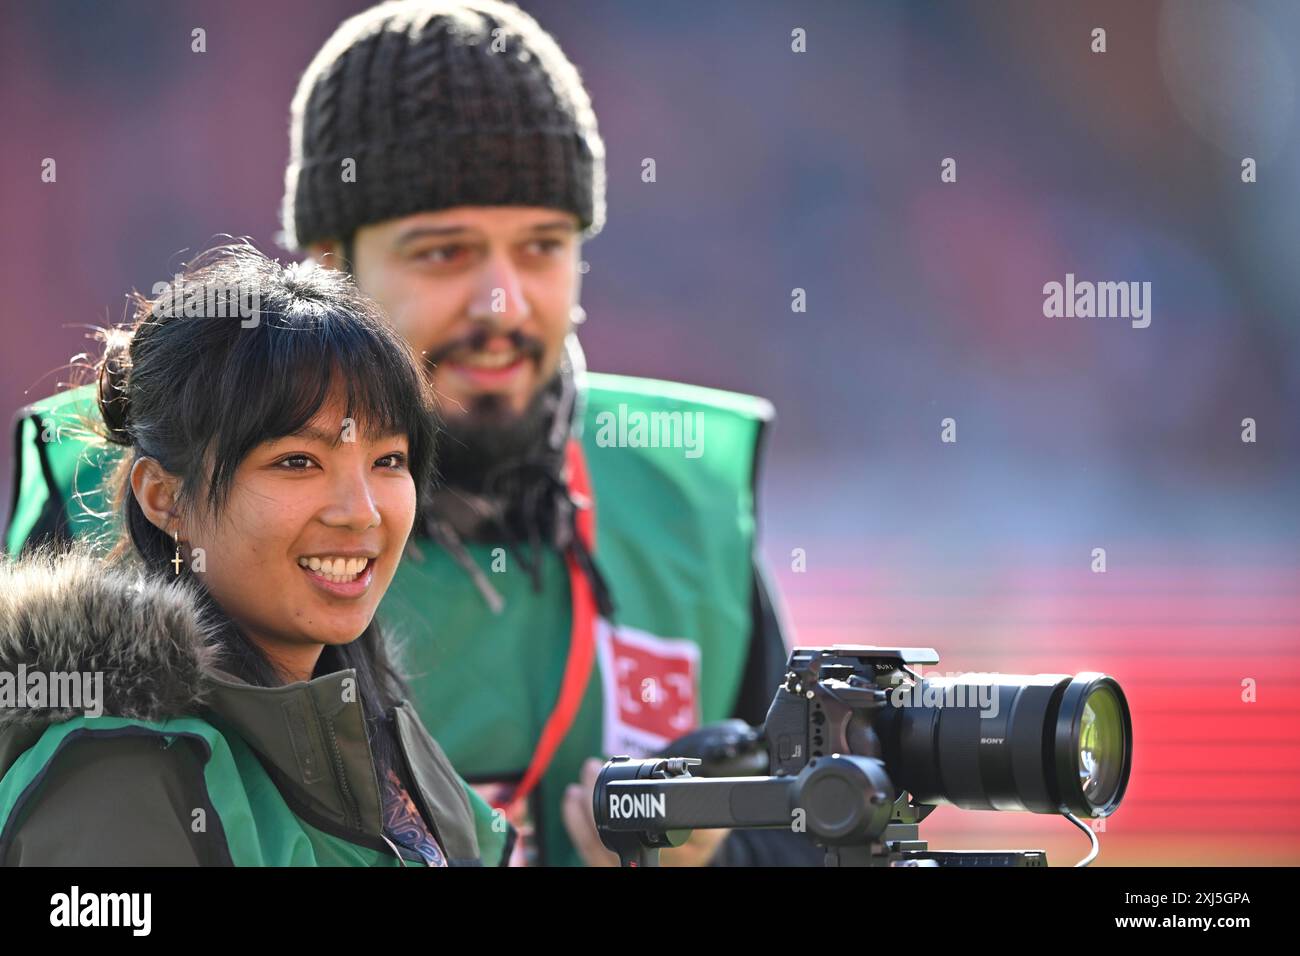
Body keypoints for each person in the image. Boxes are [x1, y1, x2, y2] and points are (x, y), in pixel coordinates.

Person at [4, 0, 819, 866]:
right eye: (445, 253)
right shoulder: (119, 468)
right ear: (327, 265)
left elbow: (811, 831)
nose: (501, 302)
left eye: (542, 247)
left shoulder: (686, 499)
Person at [0, 246, 510, 866]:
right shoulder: (122, 776)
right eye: (298, 462)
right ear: (164, 498)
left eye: (389, 461)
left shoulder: (378, 728)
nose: (361, 511)